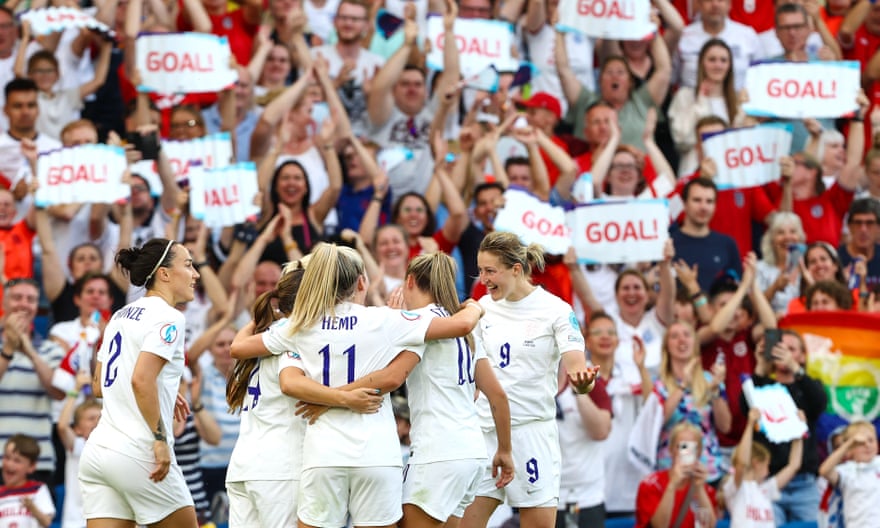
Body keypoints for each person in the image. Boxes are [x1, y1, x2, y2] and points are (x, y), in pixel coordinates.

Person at [230, 242, 483, 528]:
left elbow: (238, 348)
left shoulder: (301, 324)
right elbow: (460, 326)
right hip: (376, 455)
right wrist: (476, 306)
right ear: (361, 281)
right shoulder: (384, 319)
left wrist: (263, 316)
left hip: (323, 456)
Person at [460, 231, 599, 528]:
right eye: (480, 270)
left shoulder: (556, 311)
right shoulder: (481, 309)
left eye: (490, 271)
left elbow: (577, 367)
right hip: (486, 431)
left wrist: (583, 382)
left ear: (516, 269)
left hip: (532, 434)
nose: (482, 279)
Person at [79, 238, 201, 528]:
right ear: (165, 274)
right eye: (188, 264)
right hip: (139, 452)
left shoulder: (119, 316)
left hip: (98, 452)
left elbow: (99, 386)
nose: (196, 273)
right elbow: (141, 378)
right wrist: (159, 440)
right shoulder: (170, 317)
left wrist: (162, 391)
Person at [395, 252, 515, 527]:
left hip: (437, 453)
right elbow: (498, 395)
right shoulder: (466, 334)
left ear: (410, 281)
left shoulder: (417, 321)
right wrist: (505, 450)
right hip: (471, 455)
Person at [225, 259, 316, 528]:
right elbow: (292, 384)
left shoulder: (261, 335)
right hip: (280, 468)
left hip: (243, 465)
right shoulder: (295, 336)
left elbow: (236, 347)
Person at [741, 329, 827, 525]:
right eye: (779, 347)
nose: (784, 353)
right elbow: (745, 406)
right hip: (769, 480)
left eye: (791, 349)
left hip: (805, 483)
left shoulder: (809, 386)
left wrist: (795, 368)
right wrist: (761, 366)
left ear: (802, 356)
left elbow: (819, 402)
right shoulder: (763, 386)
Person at [0, 278, 65, 483]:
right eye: (17, 297)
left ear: (37, 306)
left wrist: (30, 352)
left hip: (38, 462)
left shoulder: (52, 350)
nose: (24, 304)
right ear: (4, 302)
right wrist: (9, 348)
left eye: (31, 299)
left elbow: (59, 391)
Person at [654, 321, 731, 485]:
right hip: (670, 470)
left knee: (704, 512)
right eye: (674, 336)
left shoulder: (710, 379)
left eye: (687, 335)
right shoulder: (658, 384)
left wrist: (715, 390)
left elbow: (725, 426)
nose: (682, 340)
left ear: (695, 344)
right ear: (667, 346)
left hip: (707, 470)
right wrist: (683, 385)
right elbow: (657, 421)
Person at [724, 408, 804, 528]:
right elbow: (741, 463)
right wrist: (750, 425)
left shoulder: (765, 489)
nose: (768, 471)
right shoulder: (736, 487)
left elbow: (794, 466)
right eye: (767, 465)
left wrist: (799, 431)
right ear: (756, 463)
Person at [634, 422, 718, 528]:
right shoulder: (651, 485)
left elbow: (708, 526)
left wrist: (700, 489)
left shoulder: (706, 490)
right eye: (683, 447)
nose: (687, 453)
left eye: (692, 448)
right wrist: (672, 485)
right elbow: (659, 526)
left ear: (699, 452)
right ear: (671, 450)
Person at [670, 177, 742, 291]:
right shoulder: (668, 243)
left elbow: (736, 288)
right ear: (684, 204)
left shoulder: (728, 245)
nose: (703, 207)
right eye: (697, 200)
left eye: (709, 201)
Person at [57, 376, 102, 528]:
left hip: (105, 518)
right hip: (76, 521)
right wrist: (75, 389)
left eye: (101, 418)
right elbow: (62, 426)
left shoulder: (114, 446)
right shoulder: (78, 446)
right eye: (91, 418)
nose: (97, 422)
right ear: (77, 428)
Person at [819, 420, 880, 526]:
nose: (867, 445)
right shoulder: (846, 471)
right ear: (848, 450)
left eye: (871, 440)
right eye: (860, 443)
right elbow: (824, 471)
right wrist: (850, 442)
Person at [0, 434, 55, 528]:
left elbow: (47, 522)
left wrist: (32, 508)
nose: (9, 464)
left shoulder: (38, 489)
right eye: (7, 457)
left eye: (17, 461)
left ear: (31, 467)